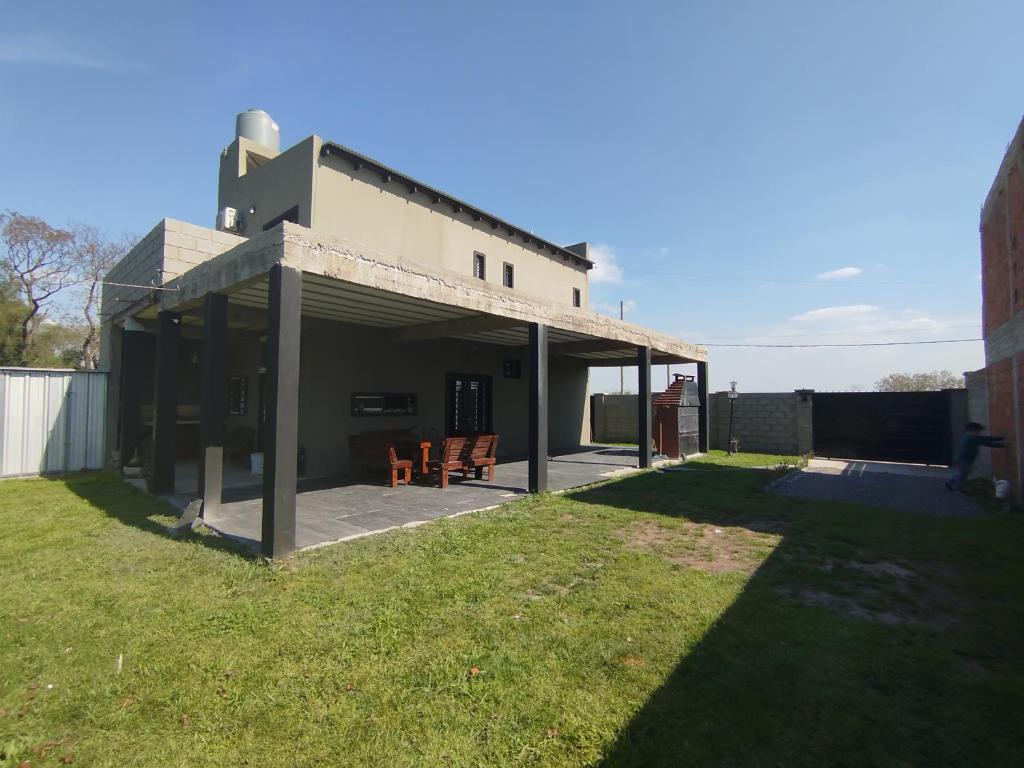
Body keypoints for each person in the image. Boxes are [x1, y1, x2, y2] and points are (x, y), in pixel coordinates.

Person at [945, 422, 1004, 492]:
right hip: (964, 460)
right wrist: (1001, 445)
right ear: (972, 431)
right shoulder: (971, 438)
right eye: (977, 431)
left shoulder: (970, 436)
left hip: (962, 459)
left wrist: (999, 439)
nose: (979, 433)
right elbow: (985, 443)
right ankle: (958, 486)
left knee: (961, 473)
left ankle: (950, 482)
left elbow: (985, 438)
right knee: (963, 474)